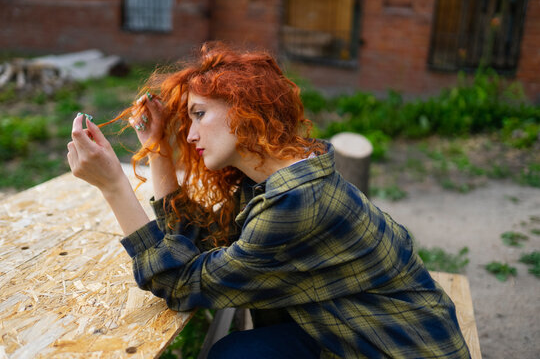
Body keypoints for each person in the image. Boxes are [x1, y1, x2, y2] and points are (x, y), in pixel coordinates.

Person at [67, 43, 471, 358]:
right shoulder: (280, 178)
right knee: (235, 352)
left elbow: (180, 283)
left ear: (245, 111)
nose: (189, 135)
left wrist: (114, 186)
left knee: (233, 355)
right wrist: (157, 148)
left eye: (199, 114)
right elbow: (201, 243)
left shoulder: (297, 203)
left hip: (404, 350)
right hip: (354, 331)